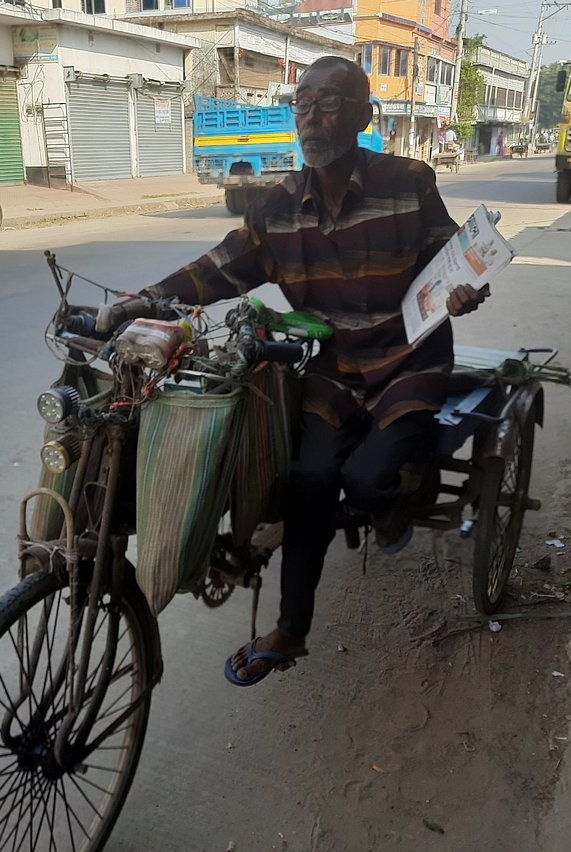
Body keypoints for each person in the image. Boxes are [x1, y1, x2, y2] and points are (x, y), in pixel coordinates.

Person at [106, 56, 489, 686]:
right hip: (334, 367)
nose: (312, 118)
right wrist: (138, 303)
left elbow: (456, 258)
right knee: (308, 480)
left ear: (364, 115)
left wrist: (464, 288)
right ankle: (291, 630)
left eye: (330, 103)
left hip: (408, 359)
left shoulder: (409, 181)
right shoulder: (276, 207)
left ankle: (390, 500)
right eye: (303, 104)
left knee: (367, 481)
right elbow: (214, 271)